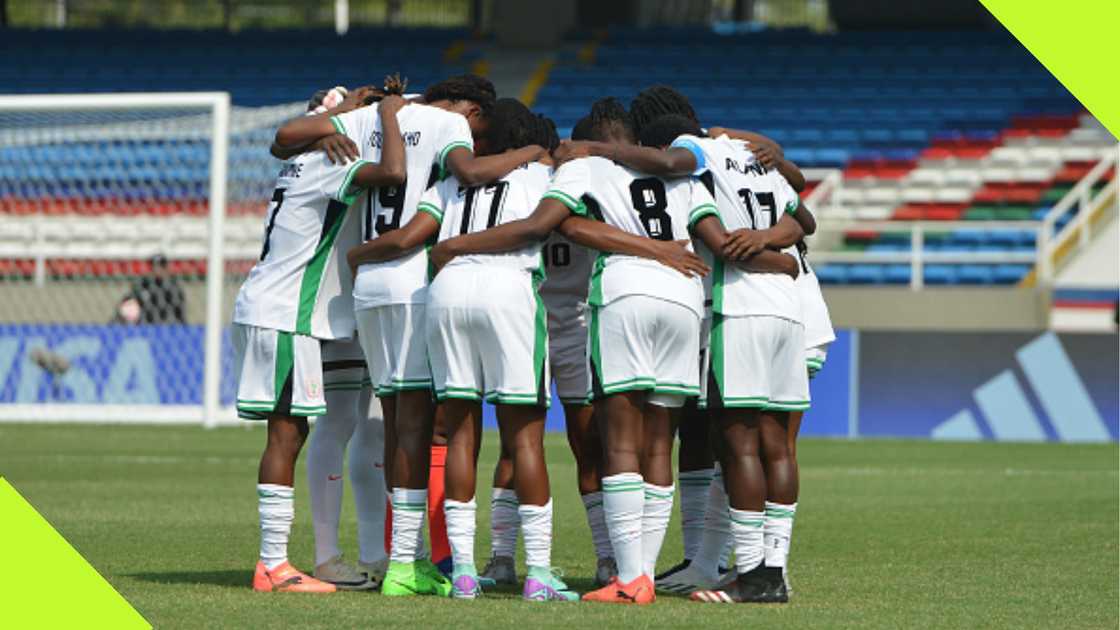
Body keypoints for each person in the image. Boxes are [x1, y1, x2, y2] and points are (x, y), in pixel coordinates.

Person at [430, 98, 796, 605]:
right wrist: (776, 254)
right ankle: (633, 567)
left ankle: (589, 570)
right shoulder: (685, 179)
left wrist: (454, 246)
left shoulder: (574, 172)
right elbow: (721, 232)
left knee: (551, 440)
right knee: (648, 441)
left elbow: (555, 224)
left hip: (593, 304)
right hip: (678, 300)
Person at [275, 74, 546, 597]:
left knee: (386, 422)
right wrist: (533, 152)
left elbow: (283, 139)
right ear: (466, 105)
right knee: (418, 428)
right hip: (415, 280)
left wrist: (339, 110)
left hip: (367, 285)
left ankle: (390, 557)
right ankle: (409, 560)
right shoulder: (447, 126)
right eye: (476, 115)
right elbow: (465, 173)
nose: (475, 127)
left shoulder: (376, 114)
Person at [559, 84, 811, 587]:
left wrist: (595, 153)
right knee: (761, 442)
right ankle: (750, 566)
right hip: (785, 306)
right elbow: (803, 213)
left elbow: (560, 220)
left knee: (716, 438)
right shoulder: (745, 157)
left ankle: (687, 570)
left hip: (726, 306)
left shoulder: (683, 160)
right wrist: (781, 254)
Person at [233, 85, 407, 593]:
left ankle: (304, 560)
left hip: (305, 313)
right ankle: (273, 565)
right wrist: (387, 115)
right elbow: (394, 171)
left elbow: (287, 141)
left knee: (306, 431)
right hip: (287, 313)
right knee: (287, 434)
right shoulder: (327, 165)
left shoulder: (302, 164)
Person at [478, 113, 617, 590]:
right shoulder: (579, 187)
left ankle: (500, 559)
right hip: (574, 324)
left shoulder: (510, 191)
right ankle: (606, 561)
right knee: (590, 448)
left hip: (527, 321)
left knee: (514, 446)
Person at [130, 254, 185, 324]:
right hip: (146, 324)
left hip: (167, 325)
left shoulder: (173, 288)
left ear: (165, 268)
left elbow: (180, 313)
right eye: (154, 266)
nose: (156, 269)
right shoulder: (144, 284)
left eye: (161, 266)